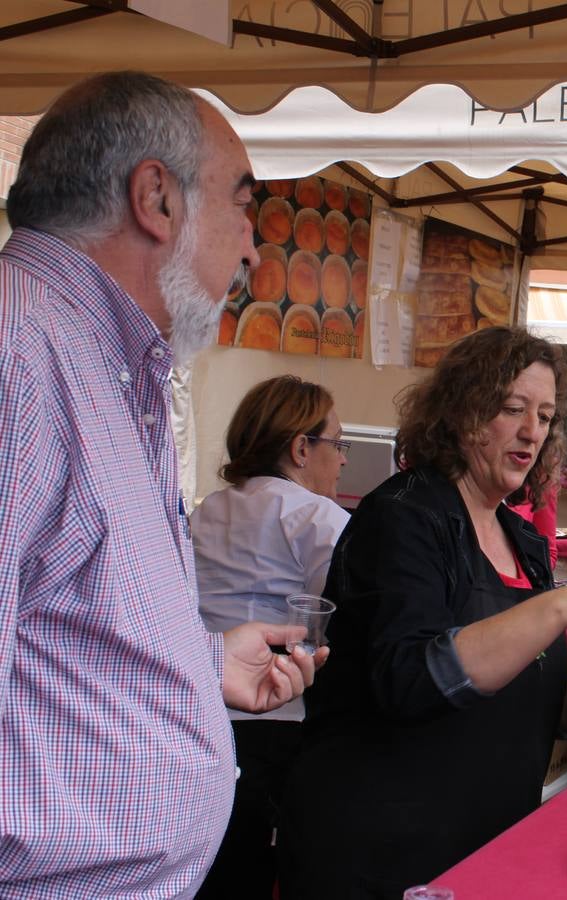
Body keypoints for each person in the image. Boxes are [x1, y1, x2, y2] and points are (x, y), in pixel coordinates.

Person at [0, 72, 322, 896]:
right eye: (243, 205)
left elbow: (55, 620)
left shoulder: (102, 357)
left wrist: (194, 662)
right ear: (157, 199)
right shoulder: (19, 353)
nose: (253, 247)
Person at [280, 327, 567, 897]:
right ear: (463, 413)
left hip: (481, 849)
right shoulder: (402, 517)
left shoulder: (522, 542)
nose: (530, 433)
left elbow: (517, 702)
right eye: (512, 409)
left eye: (544, 417)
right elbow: (413, 680)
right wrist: (564, 604)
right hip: (380, 856)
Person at [191, 376, 352, 899]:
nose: (344, 460)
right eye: (338, 444)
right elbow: (345, 617)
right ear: (302, 448)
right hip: (275, 719)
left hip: (201, 711)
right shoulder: (317, 516)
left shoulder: (206, 510)